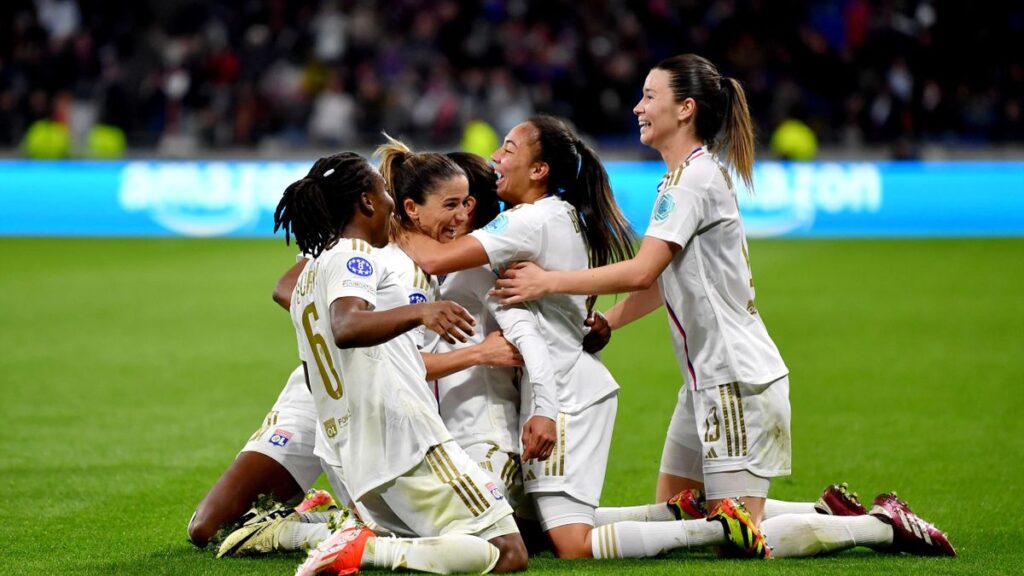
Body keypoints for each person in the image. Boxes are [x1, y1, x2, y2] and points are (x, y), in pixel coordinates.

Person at [491, 54, 954, 558]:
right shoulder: (685, 177)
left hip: (735, 377)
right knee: (679, 512)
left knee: (735, 537)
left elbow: (643, 270)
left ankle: (880, 526)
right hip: (704, 380)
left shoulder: (692, 180)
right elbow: (662, 277)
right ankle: (824, 512)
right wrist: (611, 320)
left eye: (650, 96)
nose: (638, 107)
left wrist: (548, 282)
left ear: (685, 109)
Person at [400, 115, 770, 561]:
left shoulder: (529, 221)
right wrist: (592, 319)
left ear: (539, 170)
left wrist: (390, 221)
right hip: (566, 386)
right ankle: (676, 515)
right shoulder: (558, 214)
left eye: (509, 149)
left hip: (562, 396)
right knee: (549, 529)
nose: (497, 157)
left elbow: (437, 262)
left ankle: (714, 529)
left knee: (571, 544)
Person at [272, 151, 529, 575]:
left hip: (350, 450)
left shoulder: (308, 276)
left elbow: (317, 368)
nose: (391, 204)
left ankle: (343, 540)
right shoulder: (356, 254)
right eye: (384, 193)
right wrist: (421, 312)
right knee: (508, 550)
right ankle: (365, 550)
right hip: (406, 439)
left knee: (428, 541)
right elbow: (347, 325)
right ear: (367, 201)